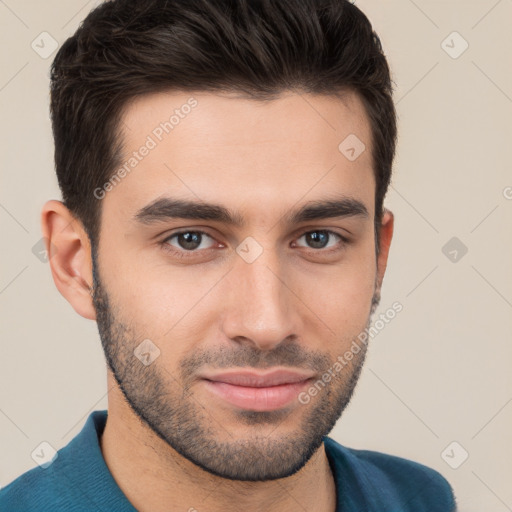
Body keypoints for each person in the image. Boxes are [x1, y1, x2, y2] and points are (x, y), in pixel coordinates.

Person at [0, 0, 457, 510]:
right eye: (189, 239)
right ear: (74, 262)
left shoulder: (424, 500)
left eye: (318, 238)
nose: (266, 323)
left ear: (378, 256)